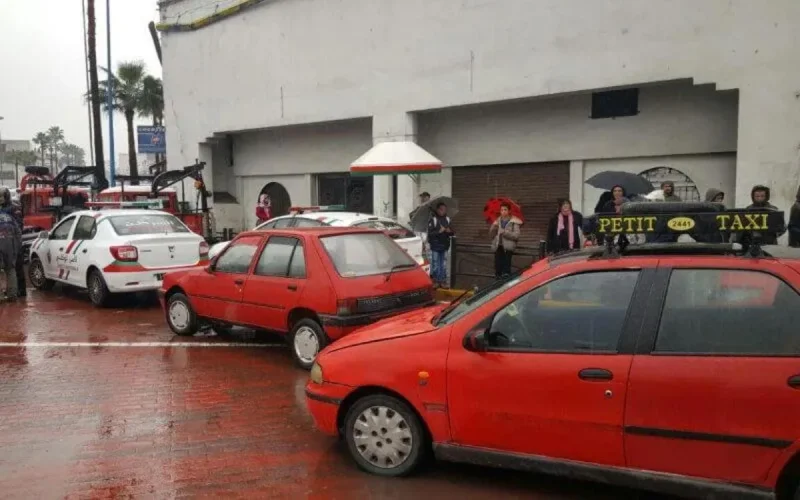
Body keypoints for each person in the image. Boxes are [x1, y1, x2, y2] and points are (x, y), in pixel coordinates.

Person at [0, 187, 22, 302]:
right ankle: (12, 294)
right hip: (10, 244)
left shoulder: (10, 210)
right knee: (10, 269)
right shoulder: (10, 216)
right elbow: (18, 232)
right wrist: (17, 247)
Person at [489, 203, 522, 277]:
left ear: (509, 211)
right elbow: (491, 235)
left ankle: (506, 284)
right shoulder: (498, 220)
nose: (503, 211)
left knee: (506, 270)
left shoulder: (514, 222)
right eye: (501, 210)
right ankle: (497, 283)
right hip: (498, 246)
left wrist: (504, 232)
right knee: (497, 268)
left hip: (508, 248)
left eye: (505, 210)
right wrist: (493, 226)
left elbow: (516, 236)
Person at [427, 202, 454, 288]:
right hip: (435, 246)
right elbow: (430, 233)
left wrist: (450, 232)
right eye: (442, 209)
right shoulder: (433, 220)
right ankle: (435, 280)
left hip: (445, 245)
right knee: (435, 264)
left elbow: (453, 231)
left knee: (444, 264)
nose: (443, 211)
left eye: (445, 209)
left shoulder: (448, 219)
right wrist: (439, 231)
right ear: (438, 210)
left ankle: (442, 280)